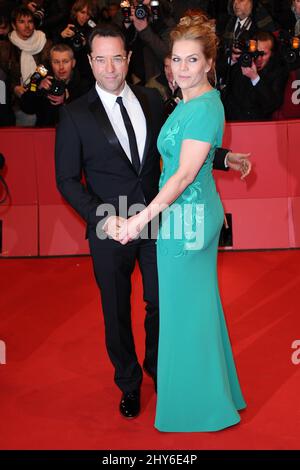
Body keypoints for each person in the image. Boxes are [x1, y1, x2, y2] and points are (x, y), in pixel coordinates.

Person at [55, 23, 251, 421]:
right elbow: (66, 180)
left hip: (161, 220)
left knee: (161, 304)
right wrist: (101, 219)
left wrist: (222, 157)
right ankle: (128, 384)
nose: (109, 67)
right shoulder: (74, 115)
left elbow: (181, 149)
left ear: (128, 59)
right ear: (89, 63)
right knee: (116, 309)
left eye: (117, 58)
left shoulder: (151, 98)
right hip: (110, 223)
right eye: (100, 59)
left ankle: (162, 371)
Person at [117, 13, 247, 431]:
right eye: (176, 59)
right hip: (186, 214)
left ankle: (199, 406)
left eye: (193, 60)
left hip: (185, 221)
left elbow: (185, 173)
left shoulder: (205, 106)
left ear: (209, 62)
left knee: (183, 312)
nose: (182, 68)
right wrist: (224, 157)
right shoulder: (191, 100)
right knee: (195, 307)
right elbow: (195, 154)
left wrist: (140, 220)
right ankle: (214, 392)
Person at [20, 43, 90, 126]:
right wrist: (38, 89)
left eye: (65, 61)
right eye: (56, 62)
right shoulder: (40, 77)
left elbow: (87, 113)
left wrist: (67, 99)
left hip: (74, 132)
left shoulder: (83, 83)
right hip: (45, 132)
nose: (61, 67)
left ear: (73, 63)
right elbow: (26, 108)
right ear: (50, 63)